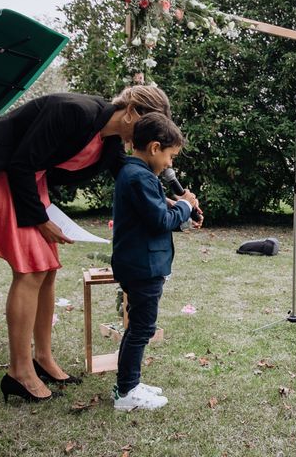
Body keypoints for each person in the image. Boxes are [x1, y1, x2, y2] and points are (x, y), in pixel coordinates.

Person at [0, 86, 172, 402]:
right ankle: (19, 371)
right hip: (5, 174)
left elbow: (130, 176)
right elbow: (21, 162)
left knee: (47, 270)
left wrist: (169, 200)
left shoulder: (110, 142)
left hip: (32, 183)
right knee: (31, 271)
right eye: (145, 122)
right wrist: (40, 219)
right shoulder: (74, 111)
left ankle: (42, 358)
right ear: (130, 111)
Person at [110, 113, 197, 411]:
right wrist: (185, 204)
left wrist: (180, 209)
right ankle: (127, 392)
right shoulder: (139, 177)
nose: (170, 164)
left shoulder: (137, 174)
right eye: (170, 156)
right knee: (142, 328)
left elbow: (156, 212)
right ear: (155, 147)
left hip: (140, 263)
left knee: (137, 326)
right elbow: (160, 220)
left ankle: (128, 383)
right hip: (142, 266)